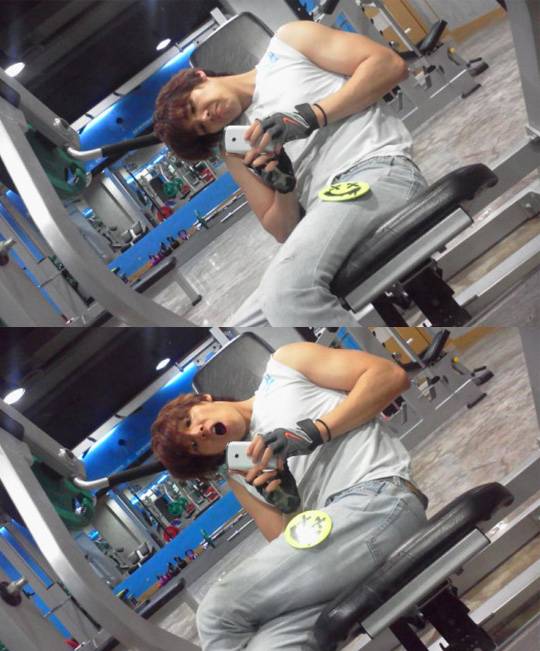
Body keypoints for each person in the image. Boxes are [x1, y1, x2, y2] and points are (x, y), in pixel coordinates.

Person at [151, 341, 429, 650]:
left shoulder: (285, 366)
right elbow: (289, 551)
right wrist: (289, 503)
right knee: (268, 646)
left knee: (216, 614)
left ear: (203, 400)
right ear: (207, 457)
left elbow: (390, 376)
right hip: (337, 556)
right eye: (194, 445)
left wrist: (315, 431)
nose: (199, 433)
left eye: (189, 422)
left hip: (379, 502)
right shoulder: (241, 476)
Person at [153, 20, 428, 326]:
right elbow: (282, 231)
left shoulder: (289, 44)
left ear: (199, 78)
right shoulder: (237, 147)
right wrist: (285, 188)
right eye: (203, 127)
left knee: (285, 296)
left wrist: (311, 116)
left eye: (194, 107)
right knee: (239, 329)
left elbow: (390, 65)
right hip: (324, 209)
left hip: (375, 170)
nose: (206, 116)